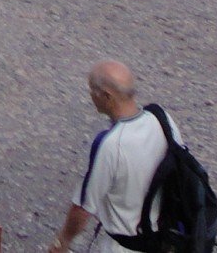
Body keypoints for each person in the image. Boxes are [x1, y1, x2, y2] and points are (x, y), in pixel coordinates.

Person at [46, 60, 177, 253]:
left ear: (106, 97)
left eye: (92, 90)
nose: (90, 96)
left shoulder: (110, 144)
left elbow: (83, 209)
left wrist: (62, 241)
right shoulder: (163, 120)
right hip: (163, 241)